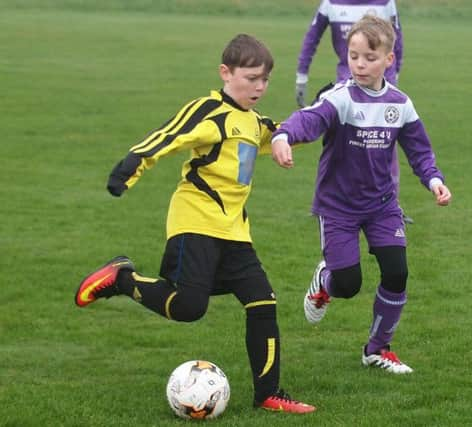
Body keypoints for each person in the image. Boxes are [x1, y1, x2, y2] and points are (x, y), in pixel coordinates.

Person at [74, 34, 315, 414]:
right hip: (196, 221)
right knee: (189, 307)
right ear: (225, 72)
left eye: (265, 80)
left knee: (263, 302)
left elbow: (286, 133)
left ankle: (269, 394)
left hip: (235, 231)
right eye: (251, 78)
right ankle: (122, 279)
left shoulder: (253, 122)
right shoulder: (209, 110)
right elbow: (169, 136)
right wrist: (130, 167)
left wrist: (326, 111)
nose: (259, 87)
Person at [272, 15, 452, 374]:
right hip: (338, 207)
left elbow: (419, 150)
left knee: (397, 272)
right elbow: (310, 118)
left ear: (389, 59)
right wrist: (283, 135)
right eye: (354, 56)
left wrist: (433, 180)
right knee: (349, 284)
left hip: (382, 205)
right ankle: (326, 281)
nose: (359, 64)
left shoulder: (400, 103)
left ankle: (377, 349)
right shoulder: (341, 98)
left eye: (369, 57)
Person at [294, 0, 415, 223]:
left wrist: (394, 77)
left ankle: (390, 204)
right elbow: (312, 38)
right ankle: (330, 203)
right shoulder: (330, 4)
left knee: (384, 142)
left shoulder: (386, 3)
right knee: (341, 144)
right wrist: (301, 76)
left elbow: (397, 40)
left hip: (382, 83)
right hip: (347, 84)